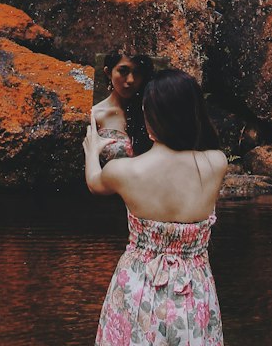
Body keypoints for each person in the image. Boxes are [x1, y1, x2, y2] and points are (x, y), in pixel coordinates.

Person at [84, 68, 227, 345]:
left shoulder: (124, 171)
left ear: (150, 119)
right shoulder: (217, 163)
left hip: (137, 287)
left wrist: (93, 151)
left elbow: (94, 182)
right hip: (194, 291)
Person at [92, 52, 155, 161]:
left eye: (137, 72)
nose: (131, 80)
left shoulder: (150, 111)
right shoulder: (96, 115)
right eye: (123, 71)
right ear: (108, 72)